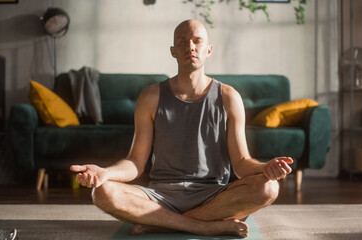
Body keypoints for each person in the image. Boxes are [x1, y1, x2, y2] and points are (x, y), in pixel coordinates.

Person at [70, 19, 293, 238]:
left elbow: (242, 164)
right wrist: (104, 173)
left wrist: (266, 167)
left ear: (209, 49)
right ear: (173, 50)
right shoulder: (150, 97)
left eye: (197, 41)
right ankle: (202, 226)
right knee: (102, 192)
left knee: (268, 188)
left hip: (213, 194)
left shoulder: (229, 97)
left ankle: (162, 223)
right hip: (160, 195)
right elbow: (135, 163)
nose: (190, 47)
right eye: (183, 41)